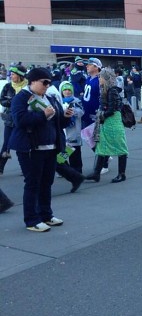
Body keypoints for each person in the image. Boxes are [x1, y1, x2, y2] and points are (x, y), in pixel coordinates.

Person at [9, 67, 74, 232]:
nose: (47, 85)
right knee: (32, 183)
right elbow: (20, 120)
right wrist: (42, 115)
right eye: (44, 82)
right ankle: (31, 219)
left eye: (49, 82)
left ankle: (46, 214)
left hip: (50, 147)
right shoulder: (21, 97)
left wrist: (66, 116)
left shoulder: (50, 98)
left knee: (47, 182)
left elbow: (58, 123)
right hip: (31, 148)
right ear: (33, 81)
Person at [84, 68, 129, 183]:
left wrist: (101, 115)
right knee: (101, 146)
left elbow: (112, 109)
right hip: (107, 121)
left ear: (106, 78)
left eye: (101, 77)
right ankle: (96, 173)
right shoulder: (106, 89)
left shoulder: (112, 90)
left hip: (113, 121)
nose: (99, 79)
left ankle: (121, 174)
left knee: (120, 146)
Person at [0, 65, 28, 175]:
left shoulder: (28, 86)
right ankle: (0, 167)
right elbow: (2, 100)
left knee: (23, 144)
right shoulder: (8, 86)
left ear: (20, 75)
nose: (11, 76)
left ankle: (26, 168)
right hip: (10, 119)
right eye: (10, 74)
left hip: (24, 119)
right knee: (6, 143)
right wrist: (14, 101)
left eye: (13, 74)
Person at [59, 81, 85, 173]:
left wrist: (72, 111)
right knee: (62, 154)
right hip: (63, 131)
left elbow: (81, 112)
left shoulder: (76, 101)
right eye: (65, 90)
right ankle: (64, 170)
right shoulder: (58, 101)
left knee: (75, 153)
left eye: (69, 90)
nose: (67, 92)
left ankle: (77, 171)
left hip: (73, 131)